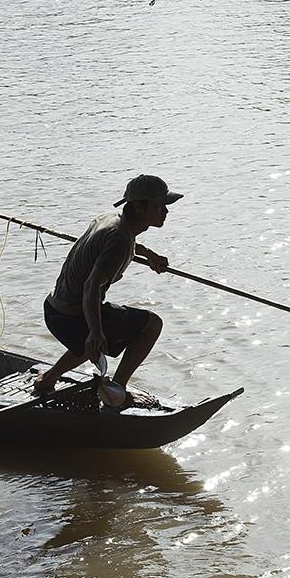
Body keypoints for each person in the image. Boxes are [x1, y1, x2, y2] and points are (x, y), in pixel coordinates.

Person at [32, 174, 179, 406]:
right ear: (139, 207)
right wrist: (95, 331)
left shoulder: (111, 219)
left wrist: (148, 254)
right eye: (160, 206)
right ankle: (118, 392)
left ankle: (48, 380)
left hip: (54, 309)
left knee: (90, 338)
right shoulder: (120, 239)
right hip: (72, 315)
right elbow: (91, 286)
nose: (166, 211)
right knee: (151, 325)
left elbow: (125, 243)